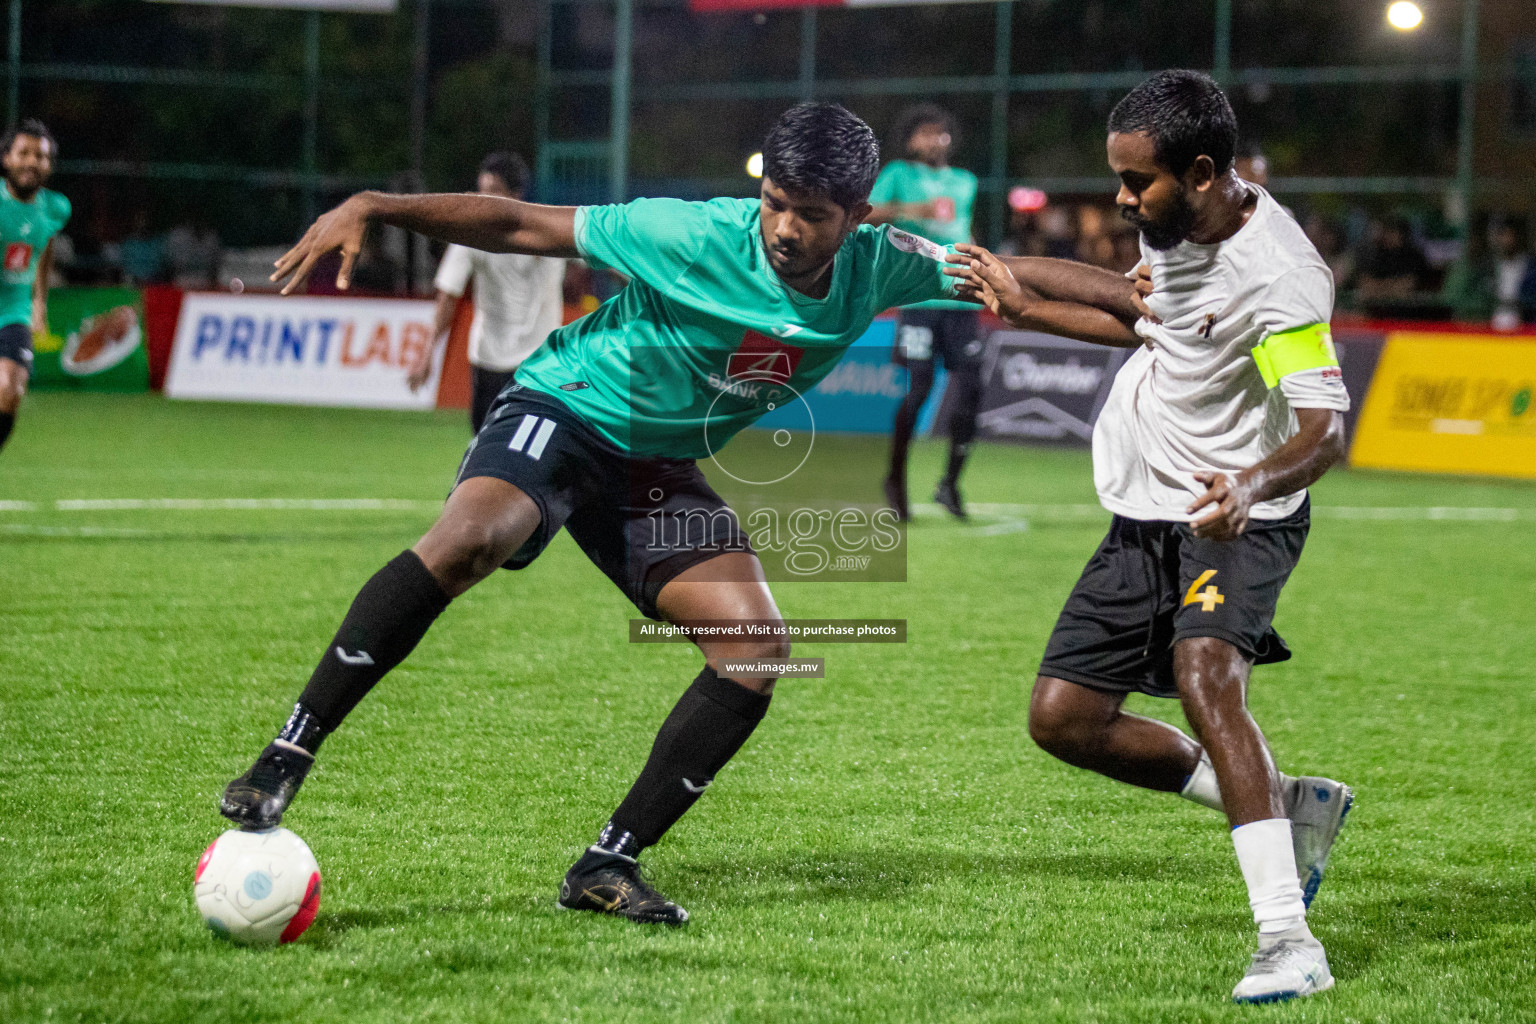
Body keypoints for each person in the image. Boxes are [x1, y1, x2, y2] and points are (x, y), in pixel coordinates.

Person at [218, 103, 968, 926]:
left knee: (756, 648)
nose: (785, 226)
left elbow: (1014, 279)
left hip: (654, 465)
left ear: (856, 216)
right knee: (471, 538)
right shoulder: (684, 231)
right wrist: (375, 205)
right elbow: (517, 222)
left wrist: (1136, 297)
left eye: (810, 212)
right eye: (775, 201)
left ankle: (606, 863)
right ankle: (288, 750)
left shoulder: (878, 265)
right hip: (568, 406)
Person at [947, 70, 1352, 1004]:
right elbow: (1148, 319)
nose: (1124, 202)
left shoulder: (1280, 277)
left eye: (1139, 184)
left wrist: (1249, 483)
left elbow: (1323, 429)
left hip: (1235, 512)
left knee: (1208, 677)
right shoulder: (1174, 224)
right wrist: (1018, 296)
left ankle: (1289, 940)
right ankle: (1285, 808)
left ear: (1203, 172)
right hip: (1146, 508)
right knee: (1063, 721)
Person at [865, 103, 982, 520]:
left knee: (971, 391)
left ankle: (950, 484)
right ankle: (895, 479)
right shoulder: (898, 174)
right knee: (918, 390)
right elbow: (869, 213)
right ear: (911, 139)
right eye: (925, 134)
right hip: (917, 299)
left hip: (959, 299)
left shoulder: (965, 182)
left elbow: (963, 230)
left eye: (941, 133)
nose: (934, 140)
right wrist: (910, 211)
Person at [406, 152, 567, 433]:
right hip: (489, 362)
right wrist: (427, 352)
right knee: (484, 451)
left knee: (534, 455)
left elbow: (602, 257)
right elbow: (448, 296)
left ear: (516, 196)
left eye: (493, 192)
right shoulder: (470, 237)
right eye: (481, 191)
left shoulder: (549, 228)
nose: (483, 201)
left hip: (541, 363)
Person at [0, 119, 71, 456]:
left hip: (13, 311)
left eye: (39, 156)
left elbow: (44, 245)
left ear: (49, 165)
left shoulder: (57, 207)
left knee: (10, 392)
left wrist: (40, 300)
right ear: (6, 159)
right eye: (23, 153)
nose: (31, 161)